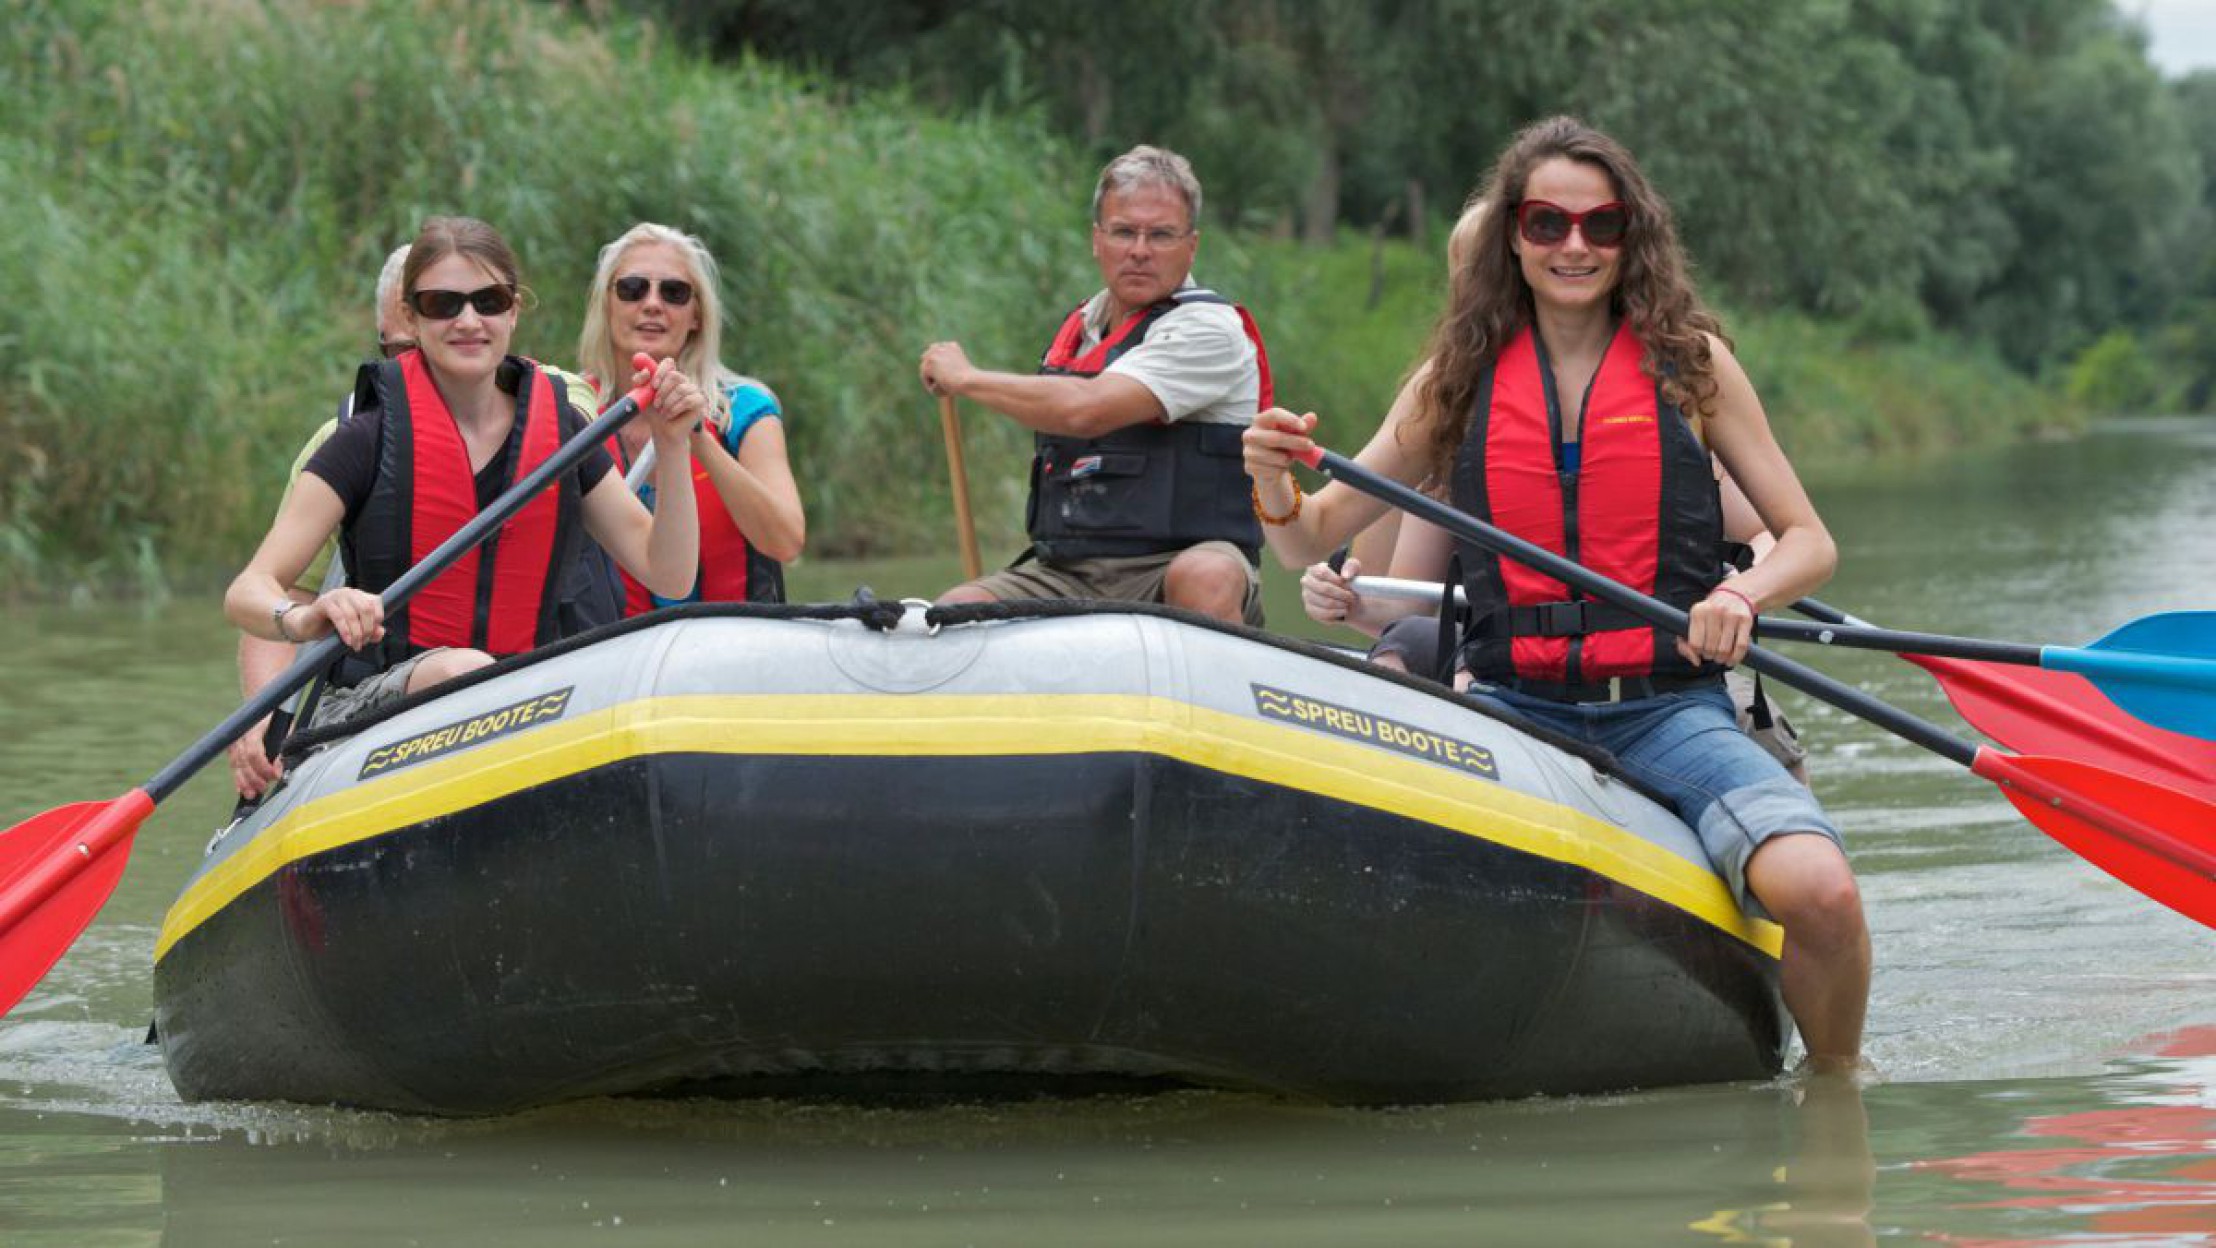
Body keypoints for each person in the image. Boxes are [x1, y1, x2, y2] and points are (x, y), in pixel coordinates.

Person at [1243, 117, 1868, 1073]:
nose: (1574, 246)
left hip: (1667, 707)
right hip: (1511, 709)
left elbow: (1809, 541)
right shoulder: (1454, 375)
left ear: (1632, 235)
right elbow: (1305, 539)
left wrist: (1745, 598)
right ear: (1512, 237)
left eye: (1600, 225)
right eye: (1546, 223)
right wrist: (1271, 477)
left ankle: (1833, 1103)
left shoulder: (1690, 364)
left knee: (1822, 893)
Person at [224, 216, 709, 730]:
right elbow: (248, 590)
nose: (469, 320)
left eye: (489, 301)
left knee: (512, 677)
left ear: (514, 310)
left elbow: (669, 574)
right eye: (443, 305)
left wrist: (672, 445)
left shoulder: (564, 432)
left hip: (526, 691)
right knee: (465, 668)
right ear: (411, 319)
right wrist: (303, 619)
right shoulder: (365, 439)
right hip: (376, 703)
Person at [918, 144, 1271, 626]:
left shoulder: (1209, 329)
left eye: (1161, 235)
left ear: (1192, 247)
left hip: (1175, 563)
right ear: (1097, 240)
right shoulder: (1082, 327)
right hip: (1068, 572)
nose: (1140, 251)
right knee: (954, 611)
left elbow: (1086, 410)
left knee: (1205, 575)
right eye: (1124, 232)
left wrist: (967, 379)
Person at [227, 244, 416, 800]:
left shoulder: (556, 407)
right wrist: (262, 717)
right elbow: (277, 588)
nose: (410, 368)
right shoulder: (346, 443)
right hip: (385, 691)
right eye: (396, 348)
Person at [576, 223, 805, 611]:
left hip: (728, 647)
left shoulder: (746, 409)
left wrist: (693, 435)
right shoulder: (572, 408)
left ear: (696, 314)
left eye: (674, 292)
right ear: (607, 303)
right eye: (632, 289)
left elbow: (786, 542)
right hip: (611, 650)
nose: (652, 304)